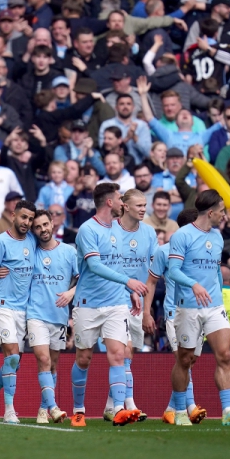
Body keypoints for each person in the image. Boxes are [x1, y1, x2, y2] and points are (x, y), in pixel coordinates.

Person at [167, 189, 230, 426]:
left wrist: (219, 295)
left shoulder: (217, 237)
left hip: (214, 306)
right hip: (188, 307)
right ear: (211, 212)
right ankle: (182, 411)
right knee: (185, 360)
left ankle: (228, 410)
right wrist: (193, 285)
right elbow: (173, 270)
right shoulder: (182, 236)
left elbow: (215, 269)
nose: (225, 216)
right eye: (222, 211)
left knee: (225, 355)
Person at [68, 182, 144, 427]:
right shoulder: (87, 230)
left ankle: (120, 409)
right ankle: (78, 410)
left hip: (115, 303)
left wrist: (127, 290)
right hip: (88, 304)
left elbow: (117, 264)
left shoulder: (118, 229)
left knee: (119, 355)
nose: (124, 202)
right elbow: (95, 266)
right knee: (84, 357)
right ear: (109, 202)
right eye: (120, 198)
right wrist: (129, 281)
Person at [144, 207, 207, 424]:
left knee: (190, 360)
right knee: (184, 359)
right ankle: (187, 407)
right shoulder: (164, 251)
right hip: (174, 312)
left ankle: (171, 408)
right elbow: (151, 282)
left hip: (200, 312)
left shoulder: (204, 250)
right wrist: (147, 312)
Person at [0, 200, 37, 424]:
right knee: (12, 354)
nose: (27, 222)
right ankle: (10, 410)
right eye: (23, 217)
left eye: (30, 219)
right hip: (1, 305)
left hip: (24, 309)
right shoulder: (1, 241)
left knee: (15, 361)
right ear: (13, 215)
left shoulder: (33, 240)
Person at [107, 189, 157, 421]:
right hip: (114, 298)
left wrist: (147, 308)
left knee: (129, 354)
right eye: (138, 205)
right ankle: (129, 404)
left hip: (138, 300)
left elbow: (151, 272)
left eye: (145, 205)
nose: (143, 209)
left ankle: (112, 405)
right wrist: (128, 289)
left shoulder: (149, 232)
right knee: (123, 351)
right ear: (125, 206)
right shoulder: (110, 230)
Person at [25, 209, 77, 424]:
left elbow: (82, 278)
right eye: (37, 227)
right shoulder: (30, 251)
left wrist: (71, 292)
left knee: (53, 364)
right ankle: (54, 407)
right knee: (43, 359)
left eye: (45, 224)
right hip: (35, 314)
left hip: (59, 316)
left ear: (53, 223)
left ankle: (43, 409)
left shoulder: (69, 251)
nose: (43, 229)